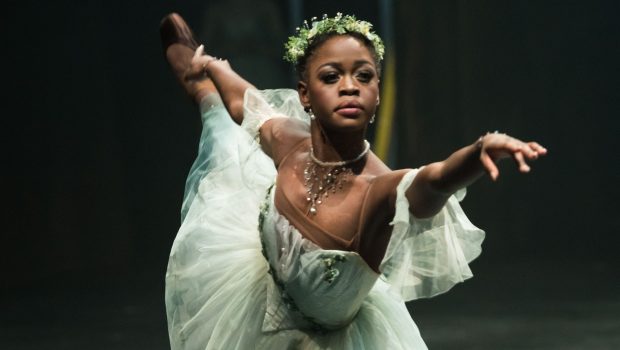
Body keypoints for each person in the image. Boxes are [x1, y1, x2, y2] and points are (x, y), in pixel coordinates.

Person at [160, 12, 547, 349]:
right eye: (331, 76)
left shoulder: (378, 191)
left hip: (332, 338)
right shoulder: (288, 142)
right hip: (257, 304)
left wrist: (477, 152)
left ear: (377, 94)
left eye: (364, 76)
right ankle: (198, 82)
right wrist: (211, 67)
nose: (349, 86)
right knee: (224, 123)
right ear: (305, 95)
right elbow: (244, 102)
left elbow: (432, 181)